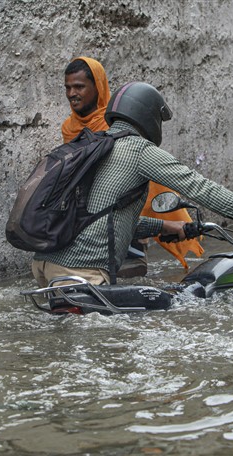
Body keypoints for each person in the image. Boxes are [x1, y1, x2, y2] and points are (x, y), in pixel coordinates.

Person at [33, 80, 233, 287]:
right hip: (83, 273)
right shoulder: (137, 149)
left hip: (46, 268)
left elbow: (100, 219)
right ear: (148, 117)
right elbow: (201, 188)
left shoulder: (92, 145)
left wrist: (166, 226)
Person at [32, 57, 203, 287]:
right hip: (86, 228)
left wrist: (150, 225)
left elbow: (136, 180)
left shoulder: (115, 126)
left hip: (123, 222)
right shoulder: (69, 128)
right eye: (68, 88)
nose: (72, 93)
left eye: (79, 87)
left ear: (98, 87)